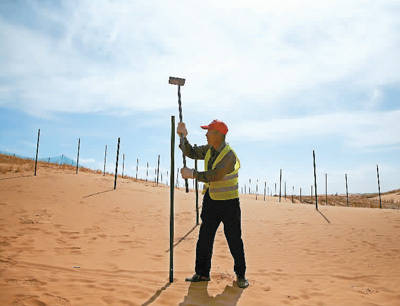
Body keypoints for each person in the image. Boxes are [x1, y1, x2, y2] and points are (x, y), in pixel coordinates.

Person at [177, 119, 249, 289]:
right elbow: (192, 152)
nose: (206, 134)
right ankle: (202, 273)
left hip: (229, 204)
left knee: (234, 240)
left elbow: (216, 175)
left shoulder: (229, 155)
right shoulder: (210, 149)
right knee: (204, 238)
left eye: (209, 131)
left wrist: (192, 174)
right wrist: (182, 137)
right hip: (211, 201)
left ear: (218, 135)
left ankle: (241, 275)